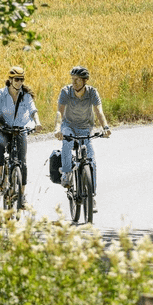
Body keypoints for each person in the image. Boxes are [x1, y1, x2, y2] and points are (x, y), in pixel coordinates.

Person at [54, 65, 111, 209]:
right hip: (68, 126)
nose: (74, 82)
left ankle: (91, 196)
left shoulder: (92, 92)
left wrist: (105, 127)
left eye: (77, 80)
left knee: (91, 158)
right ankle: (66, 173)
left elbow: (99, 111)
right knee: (67, 142)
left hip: (85, 128)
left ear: (85, 81)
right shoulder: (66, 91)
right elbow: (60, 112)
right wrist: (57, 128)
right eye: (72, 79)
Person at [0, 65, 40, 188]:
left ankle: (22, 193)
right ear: (10, 80)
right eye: (17, 79)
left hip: (20, 130)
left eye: (22, 79)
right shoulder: (1, 93)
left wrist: (38, 123)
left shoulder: (25, 96)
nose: (19, 82)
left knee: (22, 162)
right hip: (3, 129)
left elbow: (33, 110)